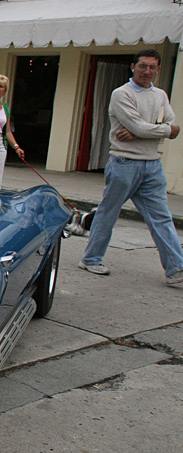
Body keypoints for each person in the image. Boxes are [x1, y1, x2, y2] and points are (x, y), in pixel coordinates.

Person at [78, 49, 183, 286]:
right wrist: (154, 129)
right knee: (108, 212)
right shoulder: (121, 94)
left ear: (158, 69)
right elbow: (150, 127)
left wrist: (141, 132)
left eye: (152, 67)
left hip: (152, 165)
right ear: (133, 67)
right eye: (143, 66)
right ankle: (91, 258)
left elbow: (169, 127)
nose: (147, 71)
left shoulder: (160, 96)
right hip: (124, 163)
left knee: (162, 218)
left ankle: (176, 268)